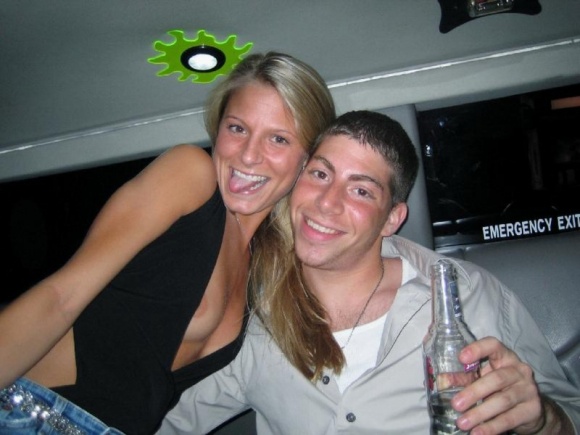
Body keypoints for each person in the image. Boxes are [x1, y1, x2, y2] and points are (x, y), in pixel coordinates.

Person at [160, 110, 580, 434]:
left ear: (392, 218)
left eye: (361, 190)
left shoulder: (467, 295)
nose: (327, 202)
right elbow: (168, 420)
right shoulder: (254, 316)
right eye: (320, 174)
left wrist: (543, 420)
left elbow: (569, 413)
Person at [0, 52, 336, 434]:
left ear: (307, 160)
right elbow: (60, 297)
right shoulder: (190, 175)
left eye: (278, 139)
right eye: (237, 128)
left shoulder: (261, 268)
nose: (248, 154)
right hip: (31, 412)